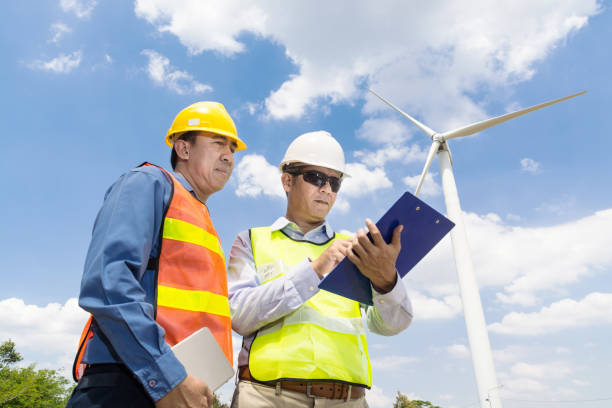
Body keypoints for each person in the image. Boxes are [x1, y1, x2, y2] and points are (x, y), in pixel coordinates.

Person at [66, 102, 247, 408]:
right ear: (183, 149)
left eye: (232, 147)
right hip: (132, 381)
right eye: (218, 143)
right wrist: (167, 378)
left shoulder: (201, 217)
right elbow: (108, 286)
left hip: (180, 386)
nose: (228, 155)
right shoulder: (148, 183)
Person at [228, 131, 413, 407]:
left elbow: (391, 325)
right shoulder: (251, 241)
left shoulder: (357, 249)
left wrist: (386, 280)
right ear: (287, 181)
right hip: (269, 397)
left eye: (335, 182)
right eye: (316, 178)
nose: (326, 189)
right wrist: (315, 270)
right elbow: (238, 316)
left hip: (348, 400)